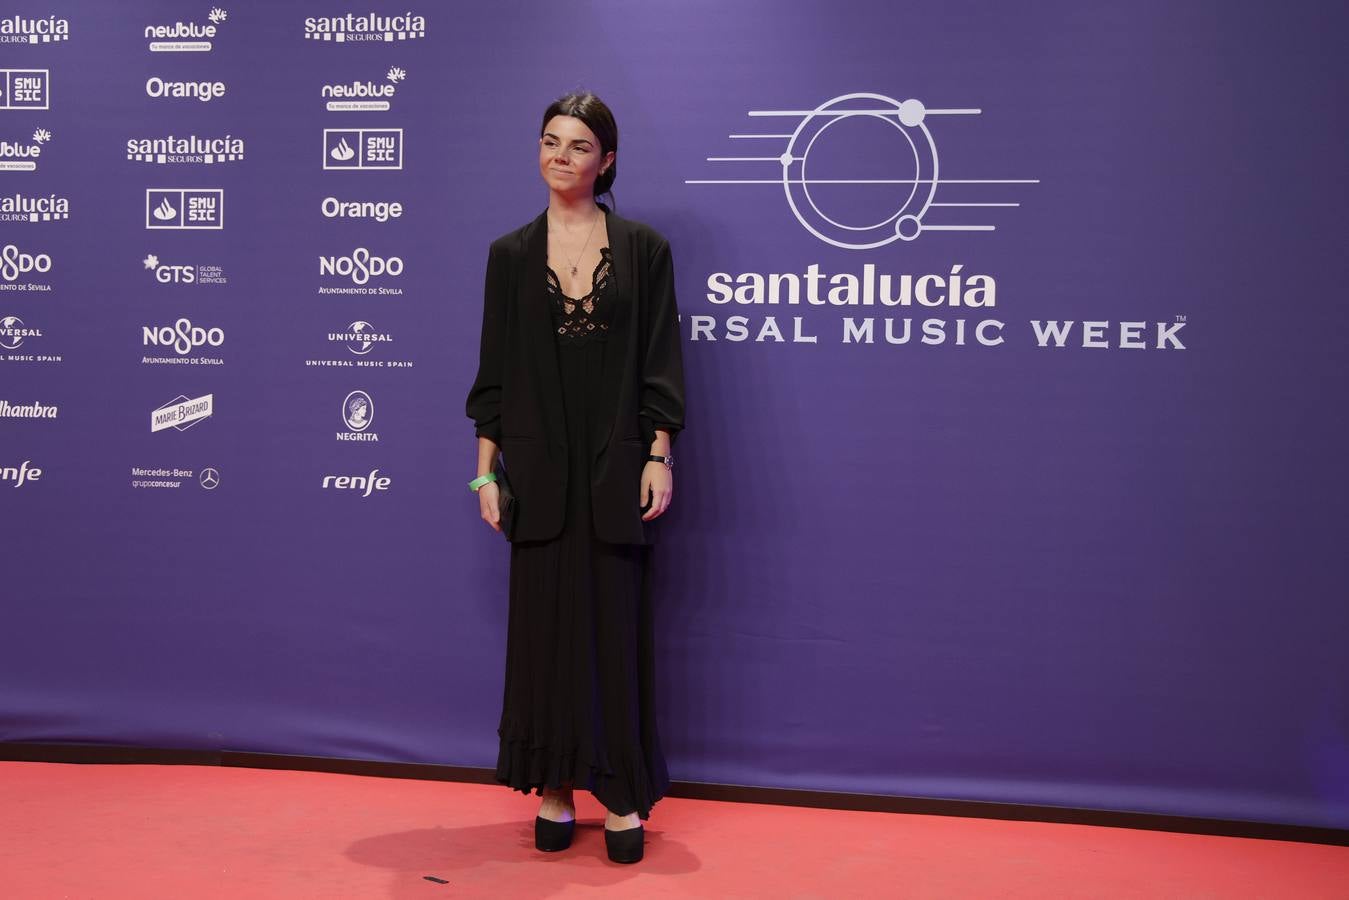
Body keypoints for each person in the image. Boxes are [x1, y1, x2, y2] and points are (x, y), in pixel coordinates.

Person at [464, 91, 686, 865]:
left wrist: (658, 453)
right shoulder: (508, 255)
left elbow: (660, 364)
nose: (560, 156)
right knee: (544, 637)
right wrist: (483, 477)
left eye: (578, 145)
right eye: (550, 142)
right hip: (536, 470)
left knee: (614, 631)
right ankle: (553, 785)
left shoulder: (643, 249)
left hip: (616, 462)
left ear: (607, 160)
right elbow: (491, 378)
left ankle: (620, 791)